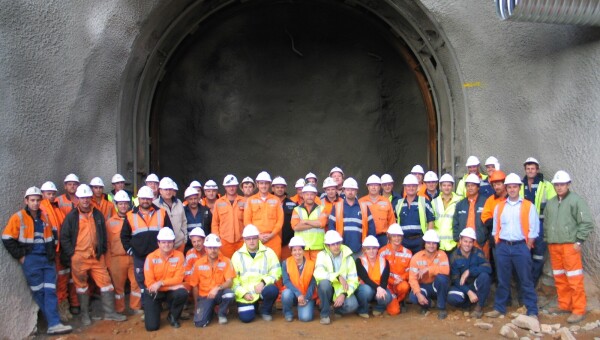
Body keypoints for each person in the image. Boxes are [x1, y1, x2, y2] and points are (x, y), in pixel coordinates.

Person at [3, 187, 73, 335]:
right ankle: (53, 322)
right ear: (26, 201)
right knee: (39, 292)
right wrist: (21, 256)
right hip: (31, 261)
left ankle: (54, 323)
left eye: (37, 200)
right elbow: (7, 238)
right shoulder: (19, 217)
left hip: (46, 260)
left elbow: (51, 238)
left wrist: (52, 256)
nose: (35, 203)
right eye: (32, 200)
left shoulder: (44, 218)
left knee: (50, 291)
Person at [60, 184, 126, 325]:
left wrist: (101, 250)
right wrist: (72, 254)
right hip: (79, 257)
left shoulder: (97, 214)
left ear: (91, 198)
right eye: (82, 198)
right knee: (82, 286)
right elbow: (64, 237)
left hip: (96, 256)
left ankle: (109, 313)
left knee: (107, 284)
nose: (85, 200)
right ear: (77, 199)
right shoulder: (72, 217)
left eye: (87, 197)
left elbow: (103, 233)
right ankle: (85, 315)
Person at [485, 173, 540, 319]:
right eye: (509, 187)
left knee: (525, 280)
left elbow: (534, 229)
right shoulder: (500, 207)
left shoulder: (528, 206)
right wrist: (498, 242)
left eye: (515, 187)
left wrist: (527, 245)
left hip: (521, 246)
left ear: (519, 188)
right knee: (503, 280)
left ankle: (532, 310)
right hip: (503, 246)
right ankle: (499, 307)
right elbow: (495, 228)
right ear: (506, 188)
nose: (512, 189)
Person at [545, 170, 596, 324]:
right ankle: (564, 304)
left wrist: (579, 241)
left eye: (562, 184)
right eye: (557, 184)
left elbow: (586, 223)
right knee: (560, 278)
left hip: (570, 246)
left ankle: (579, 309)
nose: (559, 187)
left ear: (568, 184)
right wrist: (548, 240)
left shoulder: (576, 200)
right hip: (554, 246)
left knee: (574, 279)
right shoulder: (551, 202)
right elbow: (546, 223)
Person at [120, 186, 172, 296]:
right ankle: (146, 306)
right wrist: (131, 251)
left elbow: (170, 233)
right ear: (138, 199)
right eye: (143, 198)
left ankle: (159, 305)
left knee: (159, 280)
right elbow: (124, 236)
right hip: (140, 256)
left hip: (159, 255)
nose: (145, 201)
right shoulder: (130, 215)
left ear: (152, 199)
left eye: (147, 198)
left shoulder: (162, 213)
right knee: (141, 282)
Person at [231, 224, 281, 322]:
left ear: (258, 238)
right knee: (247, 319)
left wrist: (263, 282)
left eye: (254, 238)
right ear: (244, 240)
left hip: (262, 289)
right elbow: (233, 280)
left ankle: (265, 311)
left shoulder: (268, 252)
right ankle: (253, 306)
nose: (252, 241)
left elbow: (276, 272)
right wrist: (243, 293)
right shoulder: (236, 256)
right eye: (248, 239)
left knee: (272, 290)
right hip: (246, 294)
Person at [519, 157, 557, 286]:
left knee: (538, 255)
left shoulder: (546, 185)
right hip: (524, 225)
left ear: (537, 169)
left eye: (532, 168)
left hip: (541, 224)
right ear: (525, 169)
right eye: (528, 168)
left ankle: (533, 282)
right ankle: (525, 283)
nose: (530, 171)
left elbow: (554, 205)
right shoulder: (520, 185)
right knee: (525, 254)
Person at [40, 181, 73, 321]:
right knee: (52, 282)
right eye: (49, 193)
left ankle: (63, 309)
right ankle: (54, 313)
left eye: (53, 193)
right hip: (50, 253)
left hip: (60, 251)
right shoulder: (42, 210)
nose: (52, 196)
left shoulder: (57, 209)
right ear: (43, 194)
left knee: (63, 280)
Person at [143, 228, 188, 331]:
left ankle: (173, 316)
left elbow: (179, 278)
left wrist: (161, 283)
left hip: (168, 291)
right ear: (158, 243)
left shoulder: (179, 256)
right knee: (152, 327)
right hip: (154, 293)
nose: (166, 245)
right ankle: (155, 311)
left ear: (173, 243)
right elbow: (150, 284)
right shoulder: (150, 258)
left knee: (182, 292)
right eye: (163, 242)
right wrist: (172, 286)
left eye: (169, 242)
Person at [106, 190, 142, 314]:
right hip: (117, 258)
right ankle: (120, 310)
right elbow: (107, 244)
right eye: (120, 204)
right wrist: (108, 263)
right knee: (118, 287)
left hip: (133, 257)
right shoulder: (110, 223)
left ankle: (135, 307)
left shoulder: (135, 219)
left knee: (136, 283)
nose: (123, 206)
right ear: (116, 204)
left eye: (125, 203)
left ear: (129, 204)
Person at [189, 234, 236, 327]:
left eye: (215, 248)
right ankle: (210, 309)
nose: (213, 250)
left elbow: (230, 282)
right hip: (205, 296)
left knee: (229, 294)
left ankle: (221, 313)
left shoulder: (226, 261)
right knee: (200, 323)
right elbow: (194, 285)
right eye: (210, 248)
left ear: (219, 248)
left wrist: (217, 288)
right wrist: (196, 305)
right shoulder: (198, 264)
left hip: (219, 294)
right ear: (205, 248)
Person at [314, 230, 359, 325]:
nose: (336, 246)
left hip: (341, 290)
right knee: (324, 284)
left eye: (338, 243)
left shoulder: (349, 258)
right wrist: (337, 276)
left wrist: (344, 294)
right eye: (333, 244)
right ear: (327, 245)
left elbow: (353, 280)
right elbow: (318, 272)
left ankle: (336, 309)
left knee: (352, 305)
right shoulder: (321, 255)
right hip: (328, 289)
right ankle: (325, 314)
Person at [447, 228, 492, 318]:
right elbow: (455, 279)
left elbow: (488, 268)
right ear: (460, 241)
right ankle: (467, 305)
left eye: (470, 242)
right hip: (461, 287)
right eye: (465, 241)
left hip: (474, 285)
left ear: (473, 242)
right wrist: (468, 292)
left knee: (485, 276)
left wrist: (469, 271)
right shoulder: (454, 256)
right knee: (452, 297)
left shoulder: (478, 253)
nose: (467, 244)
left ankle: (479, 307)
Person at [408, 230, 450, 319]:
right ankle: (428, 304)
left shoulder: (441, 254)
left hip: (437, 285)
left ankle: (441, 308)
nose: (431, 245)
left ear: (437, 244)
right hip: (424, 286)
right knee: (413, 296)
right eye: (428, 243)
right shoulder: (416, 257)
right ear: (424, 243)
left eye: (434, 243)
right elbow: (412, 278)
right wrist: (419, 294)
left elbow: (446, 270)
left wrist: (428, 269)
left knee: (442, 278)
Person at [328, 178, 376, 256]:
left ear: (356, 191)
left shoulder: (364, 207)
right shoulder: (337, 206)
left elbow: (371, 229)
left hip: (360, 250)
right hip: (341, 249)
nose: (350, 192)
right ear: (344, 190)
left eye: (353, 190)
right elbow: (331, 228)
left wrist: (369, 245)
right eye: (348, 190)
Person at [243, 171, 284, 258]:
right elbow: (247, 221)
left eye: (266, 183)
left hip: (273, 239)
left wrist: (271, 235)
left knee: (275, 265)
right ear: (257, 184)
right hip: (256, 240)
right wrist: (258, 235)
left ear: (269, 185)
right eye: (261, 183)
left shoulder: (276, 200)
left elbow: (280, 221)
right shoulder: (250, 200)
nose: (264, 186)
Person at [395, 174, 435, 254]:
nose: (411, 188)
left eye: (413, 186)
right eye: (408, 186)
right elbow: (395, 222)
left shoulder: (424, 202)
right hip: (403, 241)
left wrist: (427, 239)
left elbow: (431, 221)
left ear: (417, 187)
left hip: (419, 241)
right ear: (405, 187)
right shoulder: (398, 203)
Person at [378, 223, 412, 315]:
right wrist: (392, 281)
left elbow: (409, 271)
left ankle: (398, 300)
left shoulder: (408, 253)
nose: (397, 238)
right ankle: (390, 302)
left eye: (399, 236)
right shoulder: (382, 252)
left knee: (405, 287)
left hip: (400, 283)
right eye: (394, 236)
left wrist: (401, 278)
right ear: (389, 237)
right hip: (387, 284)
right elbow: (379, 272)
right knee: (394, 312)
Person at [453, 174, 489, 258]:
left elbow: (490, 222)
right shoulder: (460, 204)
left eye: (473, 185)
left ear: (478, 187)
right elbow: (455, 222)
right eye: (468, 186)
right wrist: (457, 238)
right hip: (464, 244)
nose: (470, 188)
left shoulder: (486, 202)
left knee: (482, 267)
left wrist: (486, 239)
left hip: (481, 243)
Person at [281, 236, 317, 322]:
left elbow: (312, 284)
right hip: (293, 294)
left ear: (303, 251)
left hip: (306, 295)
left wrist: (306, 298)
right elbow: (286, 281)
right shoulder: (285, 263)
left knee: (305, 318)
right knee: (286, 294)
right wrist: (298, 294)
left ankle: (302, 306)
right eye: (294, 250)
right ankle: (288, 313)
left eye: (300, 249)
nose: (297, 252)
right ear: (291, 251)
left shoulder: (311, 264)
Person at [356, 236, 392, 318]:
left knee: (387, 296)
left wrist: (381, 289)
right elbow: (365, 278)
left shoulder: (384, 261)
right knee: (366, 291)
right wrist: (378, 288)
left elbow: (384, 281)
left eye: (374, 248)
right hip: (366, 288)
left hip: (379, 288)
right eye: (368, 249)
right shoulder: (359, 261)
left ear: (377, 249)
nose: (371, 251)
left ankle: (379, 308)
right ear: (364, 250)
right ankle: (362, 310)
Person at [212, 174, 246, 258]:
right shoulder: (219, 203)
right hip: (224, 242)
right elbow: (215, 223)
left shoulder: (244, 201)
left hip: (241, 241)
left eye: (233, 186)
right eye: (229, 186)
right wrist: (217, 238)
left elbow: (248, 221)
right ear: (225, 187)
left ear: (237, 186)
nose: (231, 188)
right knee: (226, 266)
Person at [291, 184, 328, 260]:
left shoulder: (322, 209)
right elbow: (295, 227)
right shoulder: (296, 209)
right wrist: (315, 223)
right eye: (307, 194)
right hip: (302, 247)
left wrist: (305, 221)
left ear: (315, 195)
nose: (309, 196)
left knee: (318, 270)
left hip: (318, 246)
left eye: (312, 194)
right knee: (305, 270)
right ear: (303, 196)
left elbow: (322, 223)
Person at [358, 175, 395, 247]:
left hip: (383, 237)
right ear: (367, 186)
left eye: (376, 185)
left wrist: (390, 238)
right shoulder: (361, 201)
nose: (373, 187)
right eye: (371, 185)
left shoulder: (386, 201)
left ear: (380, 186)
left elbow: (392, 222)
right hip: (367, 236)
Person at [154, 177, 187, 253]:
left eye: (170, 189)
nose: (168, 192)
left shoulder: (179, 203)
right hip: (163, 246)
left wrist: (184, 239)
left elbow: (184, 221)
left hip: (179, 243)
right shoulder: (155, 204)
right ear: (160, 191)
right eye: (166, 189)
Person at [431, 174, 462, 254]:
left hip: (453, 243)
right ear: (440, 187)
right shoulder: (434, 202)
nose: (446, 187)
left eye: (449, 185)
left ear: (452, 186)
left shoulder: (459, 201)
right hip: (437, 244)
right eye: (444, 185)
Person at [272, 176, 297, 260]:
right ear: (273, 188)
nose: (280, 189)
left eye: (282, 187)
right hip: (271, 240)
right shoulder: (267, 203)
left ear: (285, 188)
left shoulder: (292, 204)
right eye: (277, 187)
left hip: (287, 242)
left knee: (287, 266)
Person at [183, 186, 210, 253]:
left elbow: (210, 228)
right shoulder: (182, 212)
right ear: (186, 199)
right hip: (187, 247)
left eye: (195, 198)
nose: (193, 201)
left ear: (198, 198)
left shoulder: (205, 211)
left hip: (204, 247)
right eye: (190, 199)